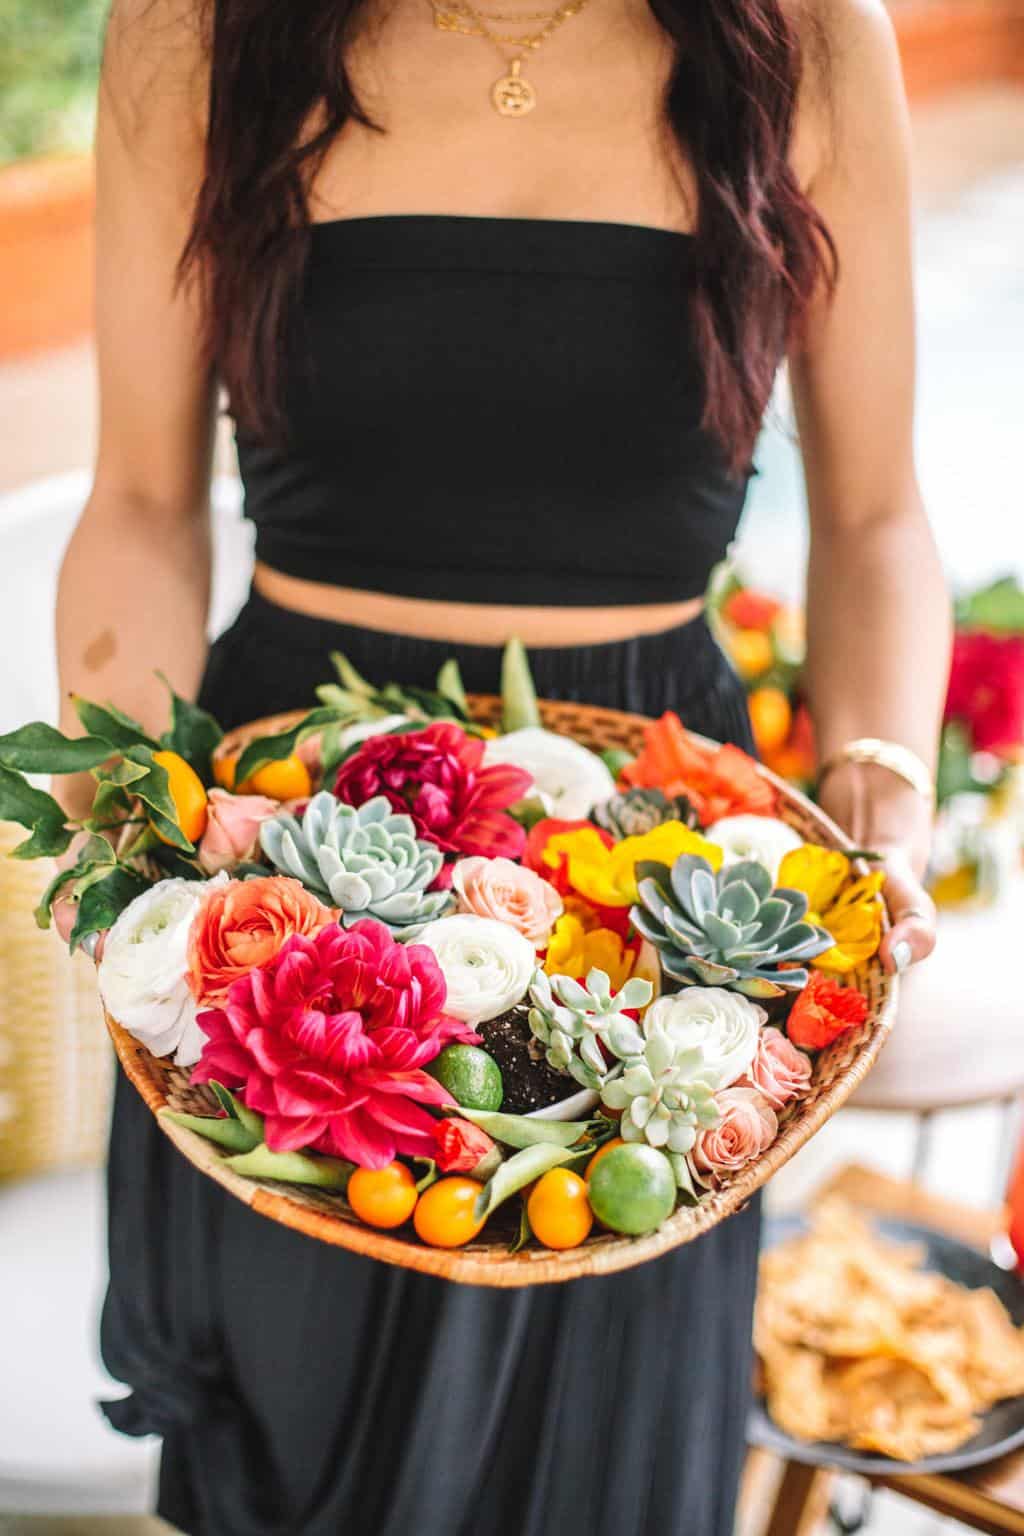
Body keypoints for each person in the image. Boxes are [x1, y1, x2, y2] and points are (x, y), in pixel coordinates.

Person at [54, 0, 948, 1530]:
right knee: (293, 1417)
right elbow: (140, 497)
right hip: (286, 845)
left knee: (594, 1447)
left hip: (655, 877)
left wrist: (884, 787)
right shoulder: (198, 30)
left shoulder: (807, 37)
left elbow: (876, 519)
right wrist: (127, 809)